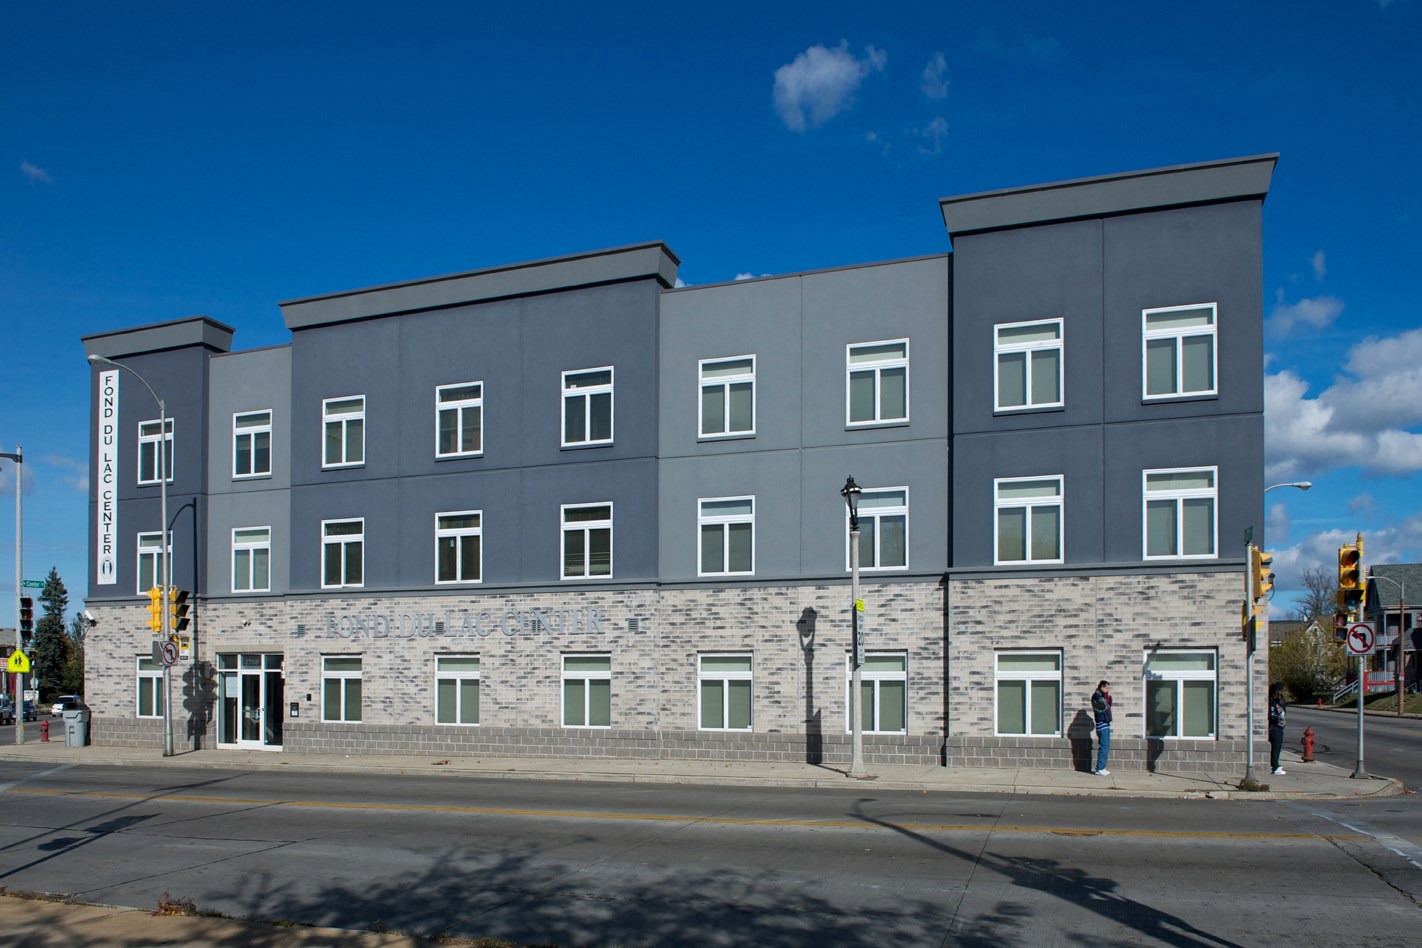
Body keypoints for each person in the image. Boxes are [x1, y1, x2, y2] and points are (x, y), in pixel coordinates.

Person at [1090, 680, 1112, 776]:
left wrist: (1107, 697)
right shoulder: (1096, 696)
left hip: (1105, 724)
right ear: (1101, 687)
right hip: (1101, 724)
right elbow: (1104, 705)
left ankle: (1102, 767)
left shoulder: (1101, 696)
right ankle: (1099, 769)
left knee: (1105, 747)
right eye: (1106, 688)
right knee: (1103, 747)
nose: (1107, 690)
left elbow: (1109, 704)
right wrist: (1106, 697)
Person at [1268, 683, 1287, 776]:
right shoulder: (1272, 701)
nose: (1280, 692)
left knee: (1278, 747)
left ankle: (1276, 764)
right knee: (1275, 748)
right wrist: (1278, 719)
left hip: (1280, 727)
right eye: (1279, 690)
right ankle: (1275, 767)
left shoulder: (1279, 700)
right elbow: (1271, 715)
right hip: (1275, 728)